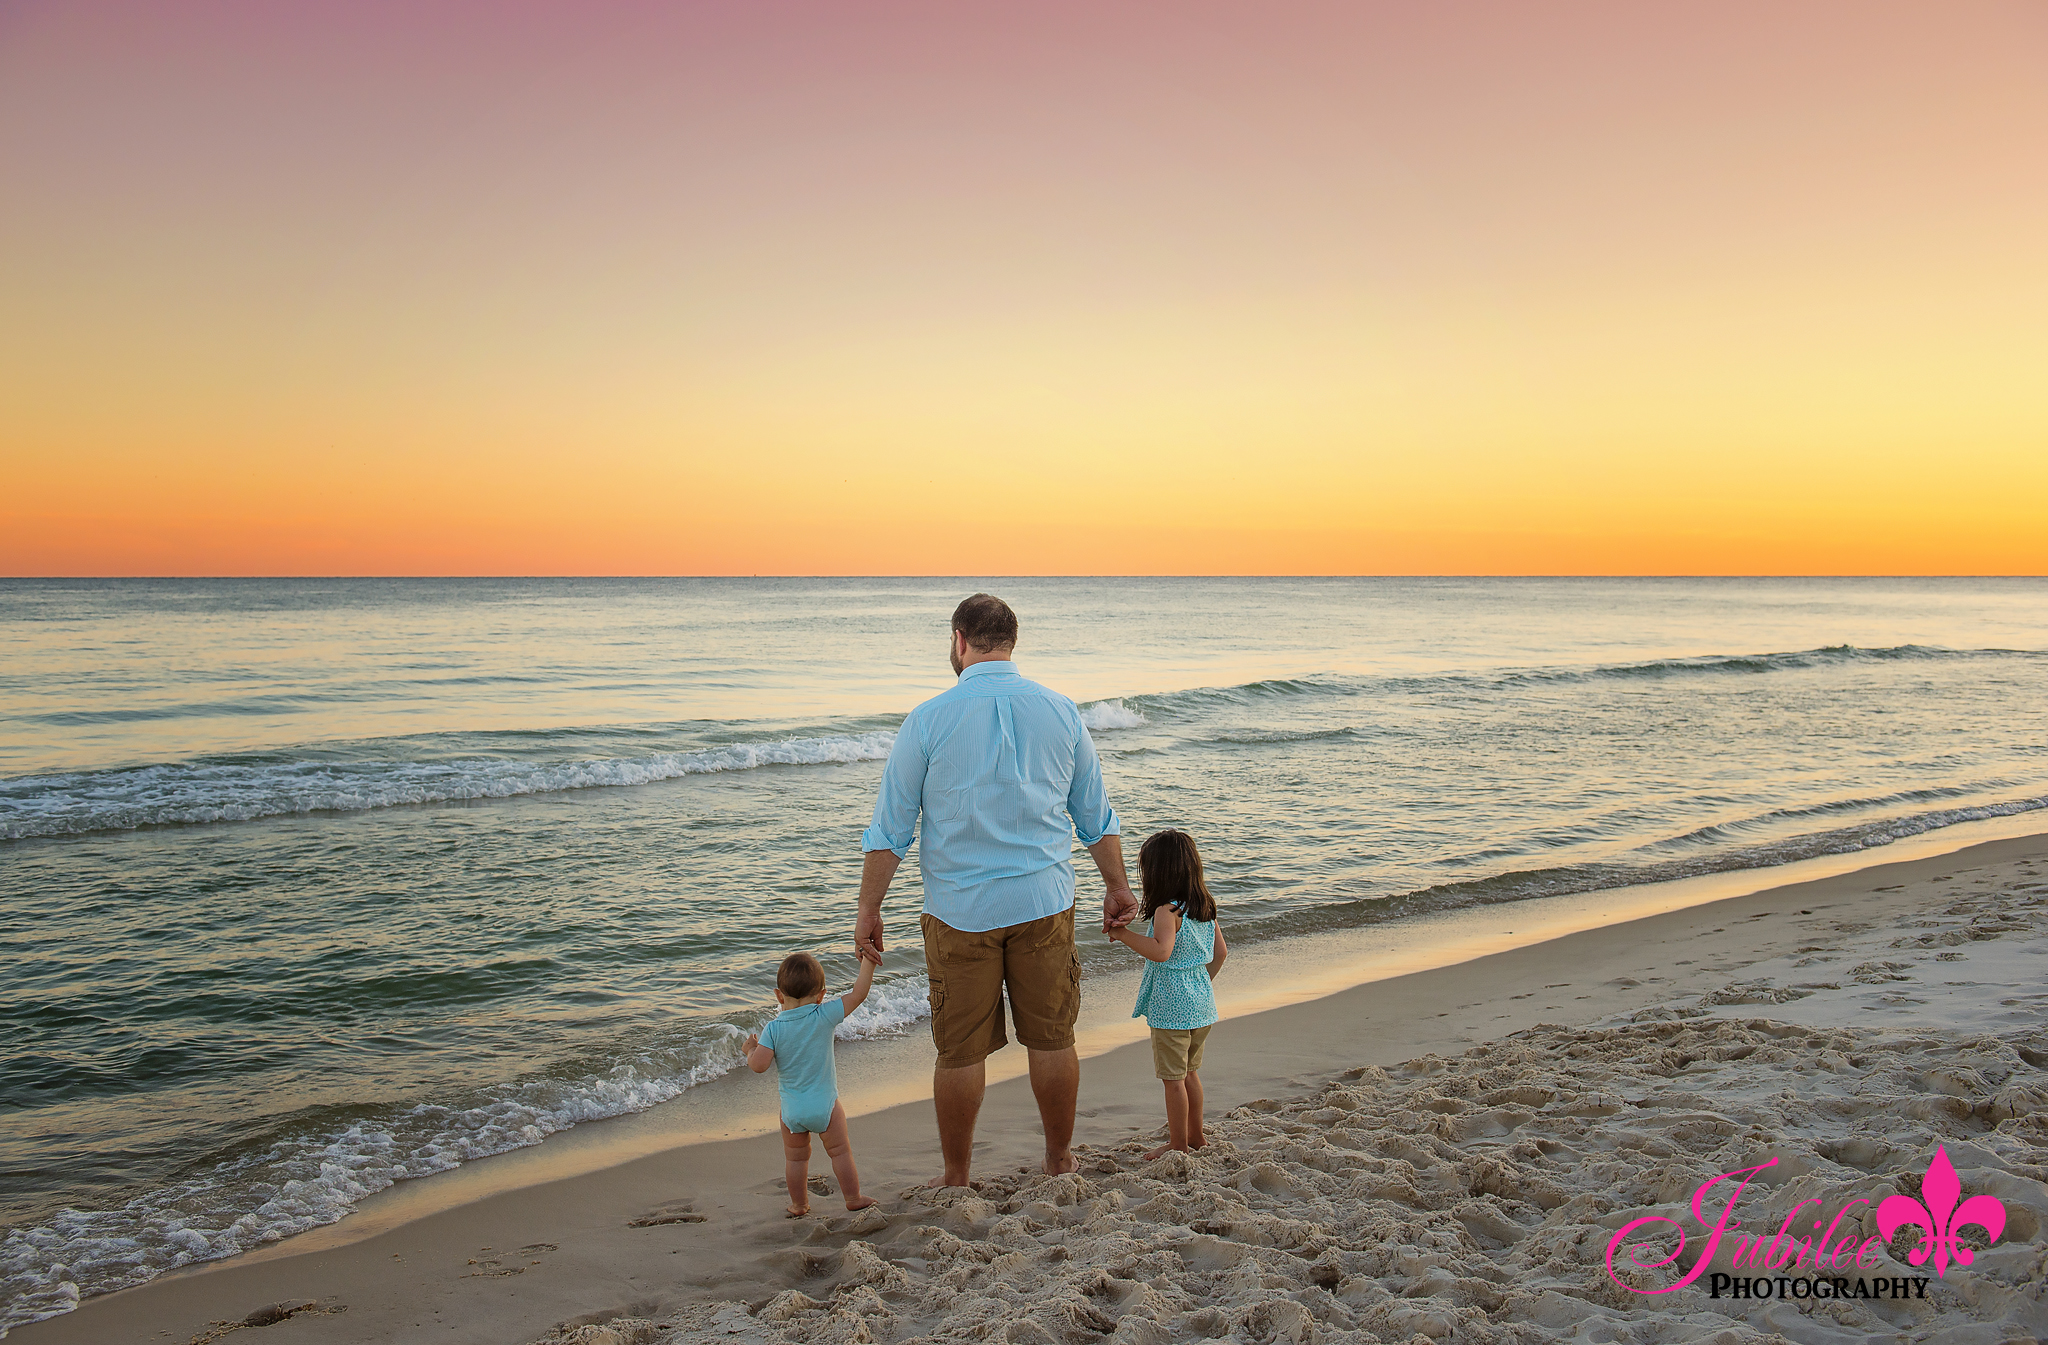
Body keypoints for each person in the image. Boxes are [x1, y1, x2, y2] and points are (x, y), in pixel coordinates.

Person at [855, 593, 1140, 1187]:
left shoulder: (928, 719)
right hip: (1043, 903)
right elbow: (1095, 814)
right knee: (1053, 1038)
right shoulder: (1061, 712)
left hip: (961, 912)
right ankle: (1060, 1158)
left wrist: (869, 907)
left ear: (960, 640)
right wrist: (1116, 886)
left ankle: (957, 1175)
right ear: (1011, 641)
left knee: (959, 1052)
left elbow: (892, 829)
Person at [1106, 829, 1228, 1160]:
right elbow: (1220, 953)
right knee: (1189, 1073)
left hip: (1172, 1008)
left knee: (1172, 1080)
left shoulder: (1167, 911)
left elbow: (1161, 951)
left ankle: (1177, 1144)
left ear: (1158, 873)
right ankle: (1197, 1137)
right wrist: (1201, 985)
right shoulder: (1204, 906)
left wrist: (1123, 934)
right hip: (1201, 1005)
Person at [744, 949, 882, 1217]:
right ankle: (853, 1198)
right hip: (826, 1107)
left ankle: (799, 1205)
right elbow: (858, 993)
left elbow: (759, 1065)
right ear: (821, 995)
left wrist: (749, 1050)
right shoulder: (823, 1015)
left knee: (795, 1159)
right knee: (840, 1153)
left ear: (778, 995)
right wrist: (868, 962)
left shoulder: (773, 1028)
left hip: (792, 1111)